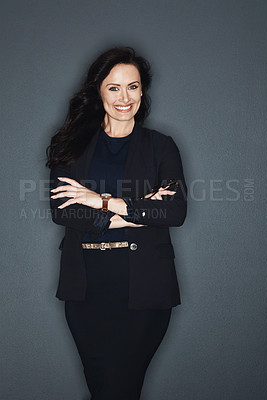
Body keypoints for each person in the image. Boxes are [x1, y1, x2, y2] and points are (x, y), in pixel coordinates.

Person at [46, 46, 187, 400]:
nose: (125, 97)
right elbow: (65, 212)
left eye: (133, 87)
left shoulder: (162, 148)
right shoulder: (70, 146)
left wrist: (101, 201)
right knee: (102, 387)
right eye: (114, 87)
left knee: (120, 388)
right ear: (98, 91)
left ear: (143, 91)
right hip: (87, 291)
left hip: (143, 290)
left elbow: (173, 212)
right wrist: (136, 212)